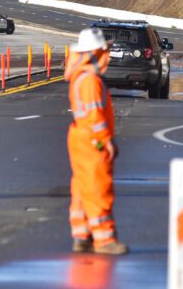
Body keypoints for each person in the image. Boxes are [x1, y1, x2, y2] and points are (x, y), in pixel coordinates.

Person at [65, 27, 127, 255]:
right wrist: (105, 141)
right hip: (93, 140)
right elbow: (95, 116)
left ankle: (81, 236)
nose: (107, 55)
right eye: (104, 50)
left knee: (82, 187)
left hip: (80, 137)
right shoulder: (90, 80)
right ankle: (104, 239)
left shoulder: (80, 77)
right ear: (95, 52)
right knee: (98, 186)